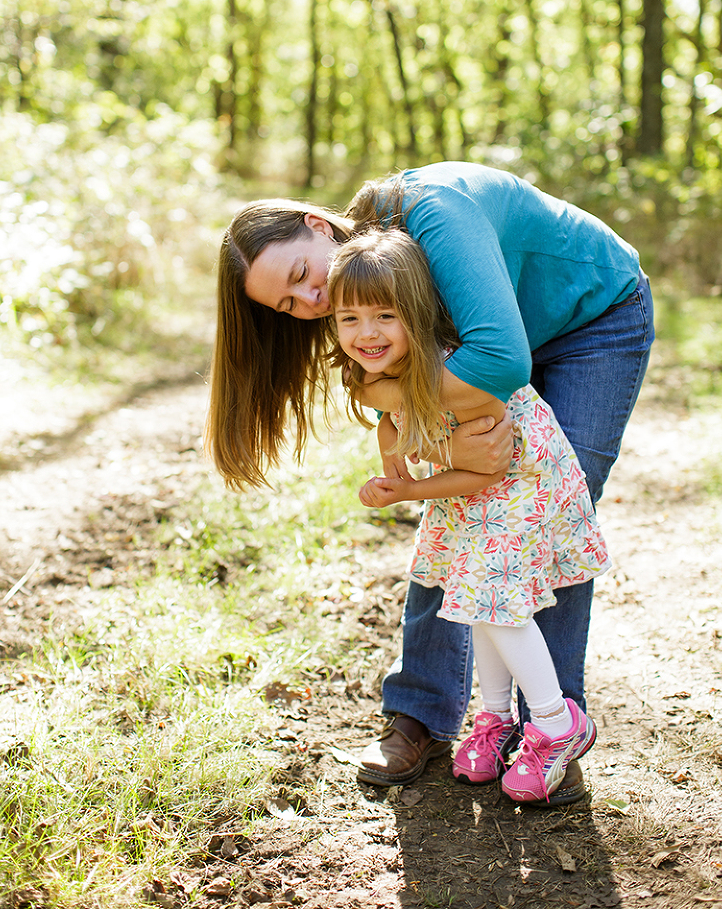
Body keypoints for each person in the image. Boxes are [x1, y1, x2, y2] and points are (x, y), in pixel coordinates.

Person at [205, 161, 655, 804]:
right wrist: (440, 437)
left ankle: (550, 726)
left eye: (304, 275)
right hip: (492, 354)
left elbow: (497, 360)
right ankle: (421, 713)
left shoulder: (433, 214)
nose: (314, 302)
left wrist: (430, 426)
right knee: (462, 514)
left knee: (546, 513)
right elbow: (374, 382)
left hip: (591, 319)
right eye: (290, 304)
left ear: (317, 225)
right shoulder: (365, 283)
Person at [326, 228, 610, 802]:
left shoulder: (463, 371)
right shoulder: (384, 375)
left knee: (500, 607)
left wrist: (407, 492)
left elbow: (487, 471)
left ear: (418, 313)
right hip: (476, 503)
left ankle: (558, 725)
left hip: (523, 488)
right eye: (348, 319)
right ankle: (496, 716)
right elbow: (393, 425)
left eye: (385, 315)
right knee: (476, 604)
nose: (367, 334)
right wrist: (393, 462)